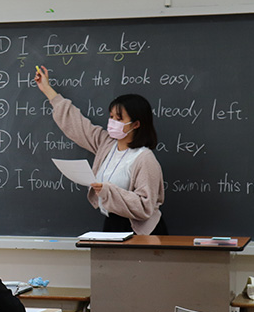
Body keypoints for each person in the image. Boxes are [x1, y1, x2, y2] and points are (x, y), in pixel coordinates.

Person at [35, 66, 167, 235]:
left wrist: (107, 190)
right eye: (111, 117)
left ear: (136, 124)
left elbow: (144, 206)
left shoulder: (144, 158)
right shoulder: (106, 144)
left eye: (119, 119)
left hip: (140, 232)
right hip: (112, 224)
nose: (113, 122)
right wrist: (46, 89)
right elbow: (77, 124)